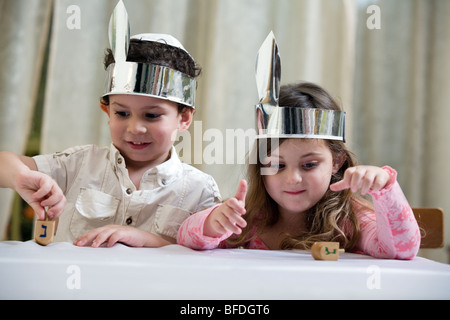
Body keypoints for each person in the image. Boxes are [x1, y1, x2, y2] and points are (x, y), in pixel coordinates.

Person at [0, 1, 221, 247]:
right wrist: (21, 176)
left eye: (151, 115)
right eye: (122, 113)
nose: (135, 128)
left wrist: (149, 241)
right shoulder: (77, 165)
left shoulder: (200, 191)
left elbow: (208, 260)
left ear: (184, 118)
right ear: (107, 110)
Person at [177, 81, 421, 260]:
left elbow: (401, 250)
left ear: (337, 161)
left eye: (309, 165)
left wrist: (386, 188)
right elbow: (186, 238)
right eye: (277, 165)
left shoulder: (350, 220)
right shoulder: (249, 220)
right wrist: (212, 222)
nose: (293, 179)